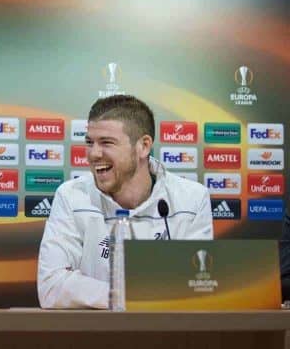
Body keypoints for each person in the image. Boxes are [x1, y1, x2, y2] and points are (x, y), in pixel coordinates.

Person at [37, 95, 213, 309]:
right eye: (90, 142)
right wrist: (125, 295)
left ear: (143, 146)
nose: (93, 154)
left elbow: (195, 287)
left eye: (107, 143)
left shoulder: (192, 199)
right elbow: (51, 287)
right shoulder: (71, 196)